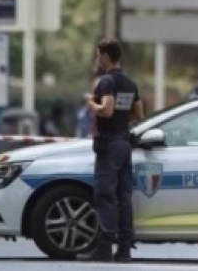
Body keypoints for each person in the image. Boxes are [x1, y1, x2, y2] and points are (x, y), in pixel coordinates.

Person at [78, 38, 144, 262]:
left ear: (105, 57)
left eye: (98, 55)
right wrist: (120, 116)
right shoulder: (129, 82)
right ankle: (124, 248)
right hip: (124, 143)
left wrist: (90, 103)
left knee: (105, 195)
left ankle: (104, 248)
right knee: (124, 197)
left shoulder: (106, 81)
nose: (97, 59)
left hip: (108, 143)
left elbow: (105, 111)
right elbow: (138, 114)